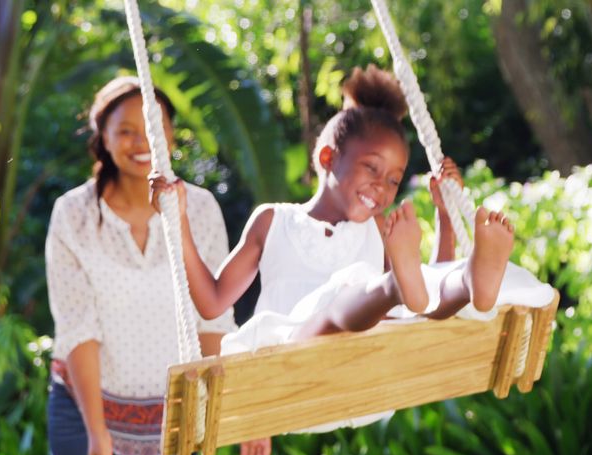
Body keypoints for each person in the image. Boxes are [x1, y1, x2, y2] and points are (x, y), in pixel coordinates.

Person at [149, 65, 527, 412]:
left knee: (421, 297)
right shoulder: (274, 221)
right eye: (371, 168)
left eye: (394, 180)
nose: (381, 188)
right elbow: (213, 303)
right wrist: (177, 220)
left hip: (366, 366)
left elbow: (424, 302)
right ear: (329, 157)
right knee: (339, 300)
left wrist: (446, 215)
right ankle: (395, 284)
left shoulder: (380, 229)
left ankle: (469, 280)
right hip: (291, 366)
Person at [44, 75, 266, 455]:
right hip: (86, 408)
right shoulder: (73, 216)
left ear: (171, 133)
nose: (142, 142)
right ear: (101, 136)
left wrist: (243, 410)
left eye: (153, 127)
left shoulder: (199, 208)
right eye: (125, 130)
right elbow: (78, 329)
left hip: (170, 408)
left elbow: (213, 318)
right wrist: (97, 432)